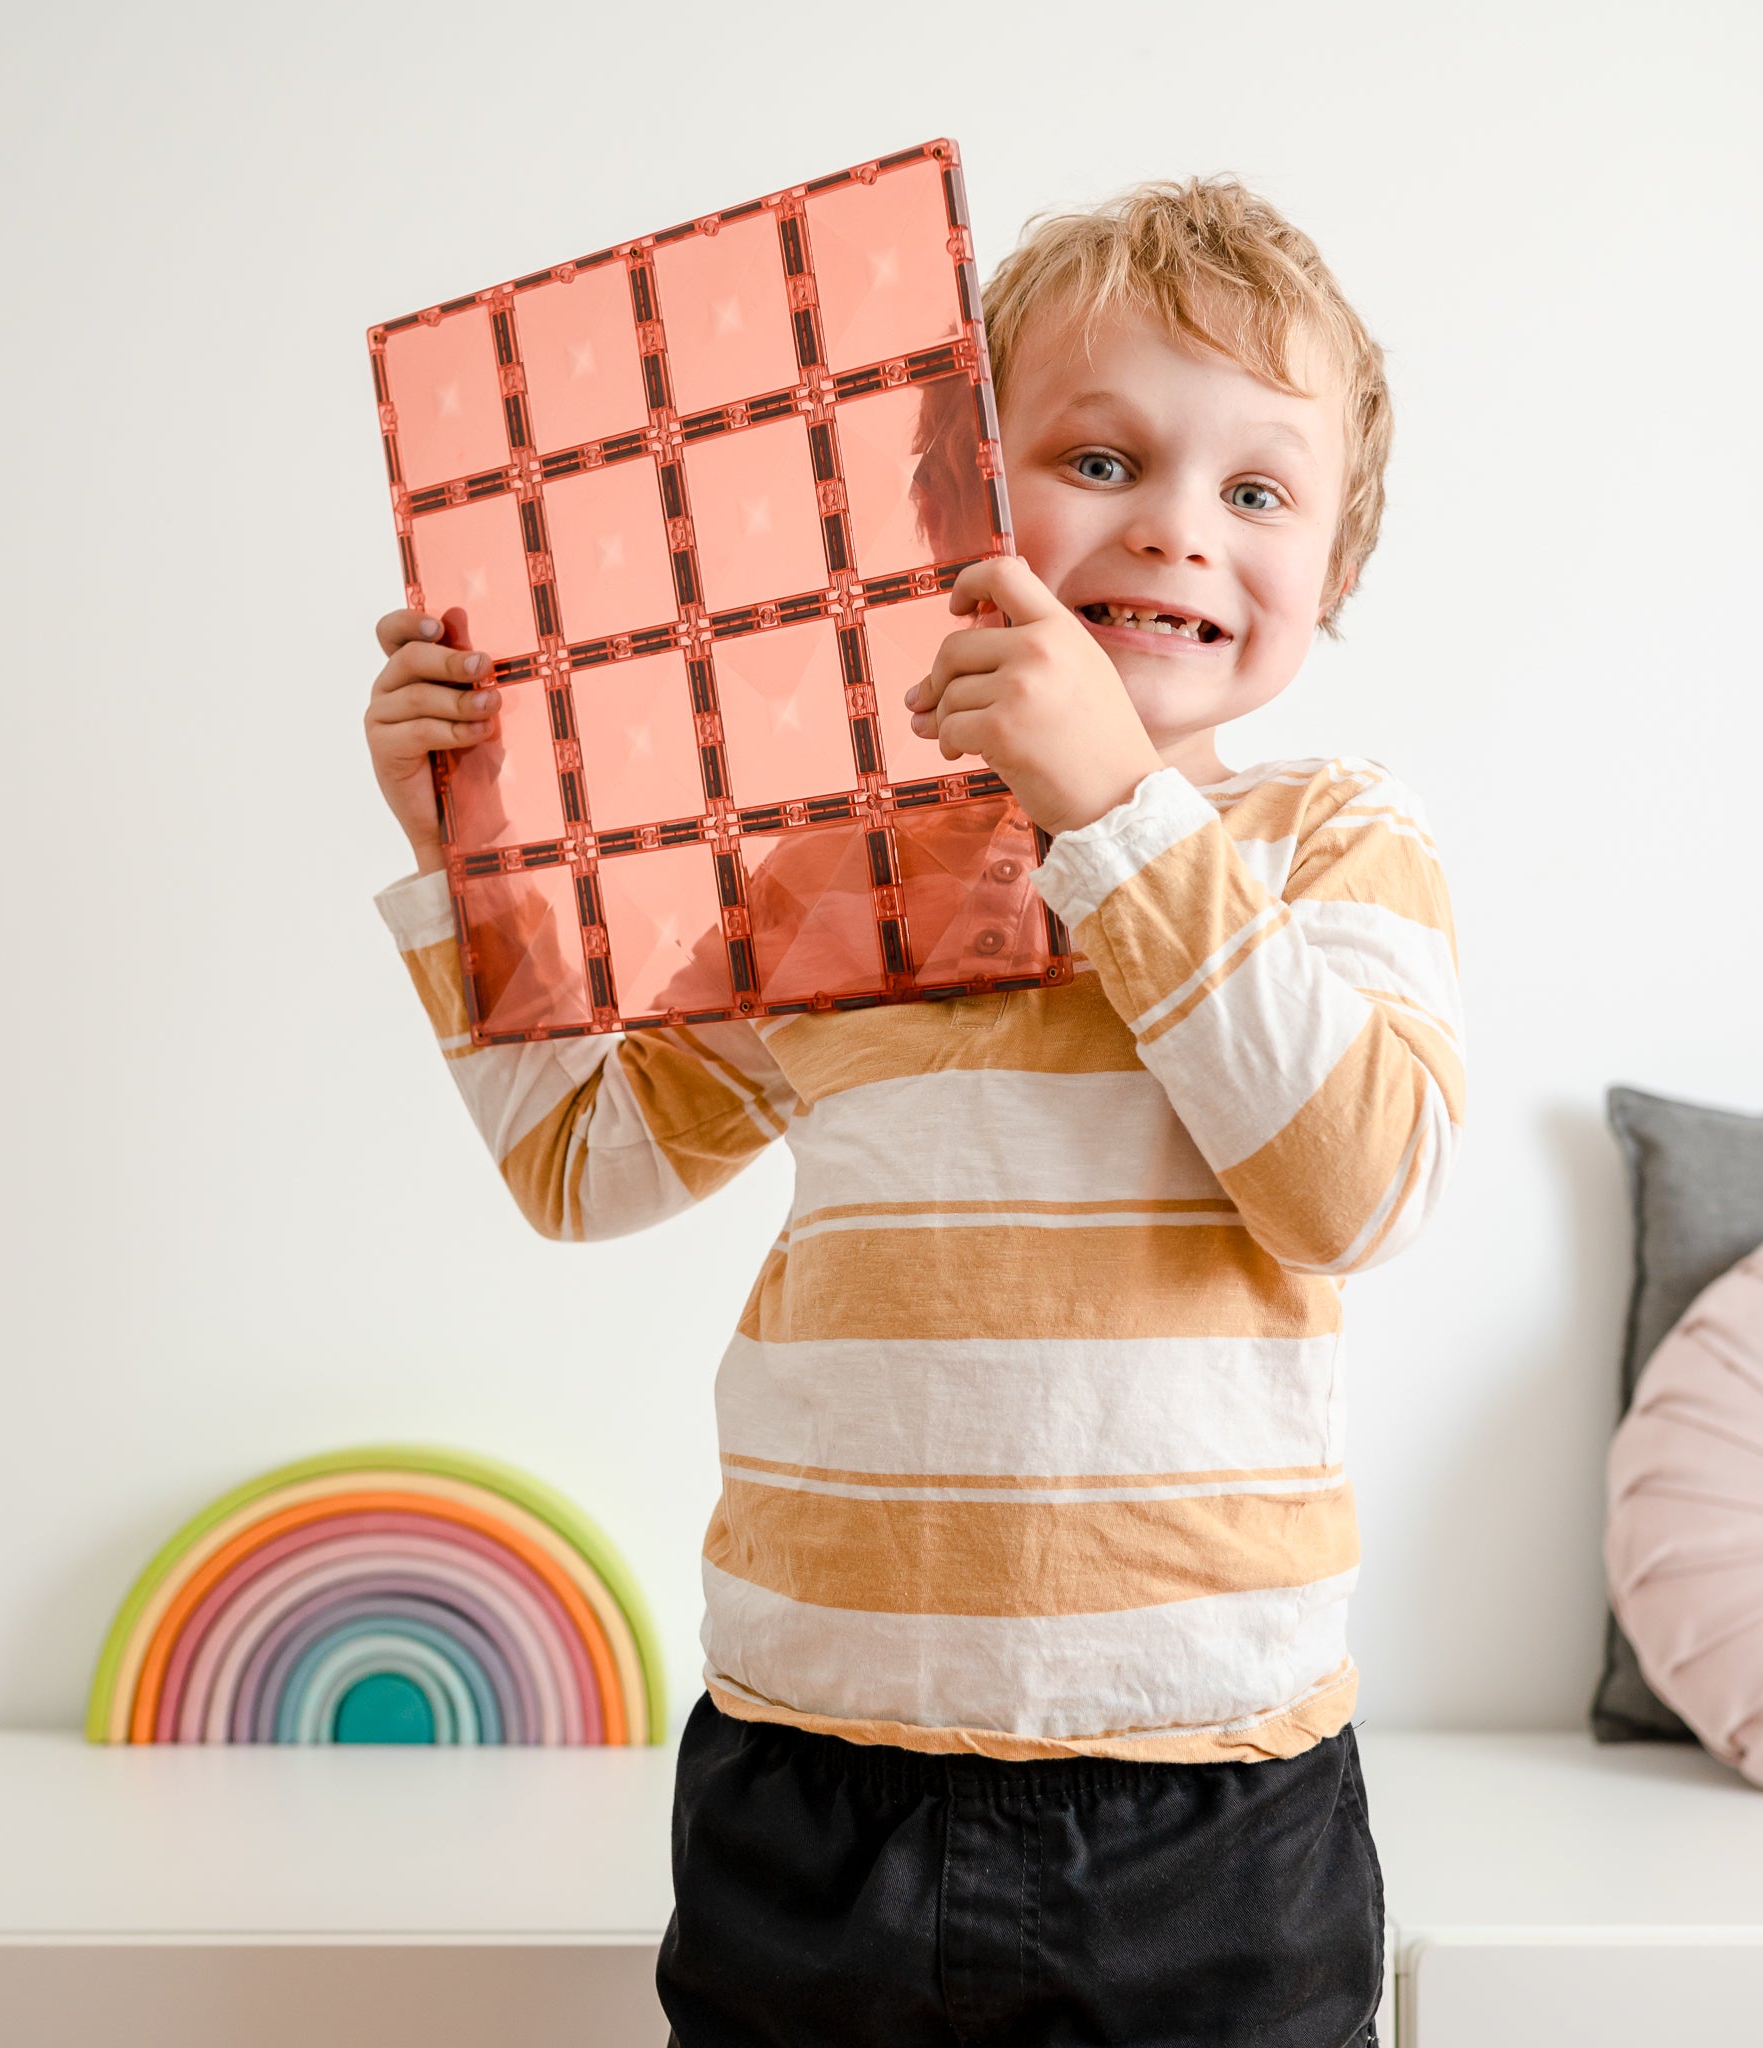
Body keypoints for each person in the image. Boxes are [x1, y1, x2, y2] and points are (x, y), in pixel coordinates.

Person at [362, 176, 1460, 2048]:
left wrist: (1116, 813)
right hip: (813, 1780)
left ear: (1332, 578)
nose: (1179, 531)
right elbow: (581, 1166)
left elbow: (1353, 1188)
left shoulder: (1327, 840)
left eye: (1259, 492)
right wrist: (475, 871)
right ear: (956, 509)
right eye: (1100, 457)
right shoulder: (830, 877)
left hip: (1200, 1800)